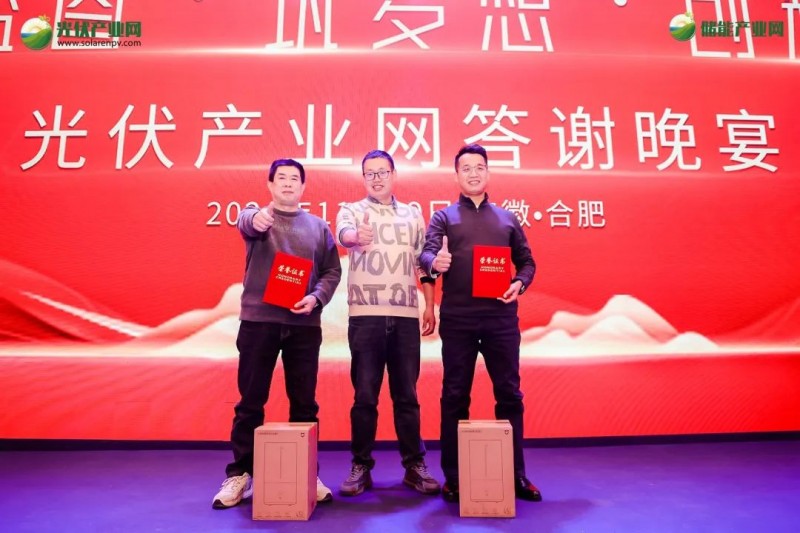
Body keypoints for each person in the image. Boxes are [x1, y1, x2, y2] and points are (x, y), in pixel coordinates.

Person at [212, 158, 342, 509]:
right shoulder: (257, 218)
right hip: (259, 323)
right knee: (251, 402)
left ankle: (307, 472)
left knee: (305, 403)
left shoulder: (319, 227)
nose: (287, 183)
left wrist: (316, 298)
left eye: (294, 178)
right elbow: (246, 221)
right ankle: (240, 474)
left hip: (304, 326)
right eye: (280, 178)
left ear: (303, 187)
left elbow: (331, 272)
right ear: (270, 185)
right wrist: (255, 218)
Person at [419, 144, 542, 503]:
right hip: (458, 320)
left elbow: (527, 262)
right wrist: (434, 263)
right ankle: (454, 476)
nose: (473, 173)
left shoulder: (507, 219)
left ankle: (516, 474)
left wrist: (519, 283)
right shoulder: (443, 218)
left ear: (487, 173)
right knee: (455, 396)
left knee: (509, 395)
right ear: (456, 175)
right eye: (466, 168)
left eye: (479, 167)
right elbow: (425, 254)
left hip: (501, 319)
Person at [334, 150, 440, 496]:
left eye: (382, 172)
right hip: (365, 317)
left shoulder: (413, 214)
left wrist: (429, 304)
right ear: (363, 178)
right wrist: (355, 237)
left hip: (406, 316)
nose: (376, 178)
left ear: (394, 175)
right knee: (365, 395)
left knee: (407, 395)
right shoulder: (351, 210)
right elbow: (343, 234)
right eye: (370, 173)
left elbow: (423, 261)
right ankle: (360, 466)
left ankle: (414, 466)